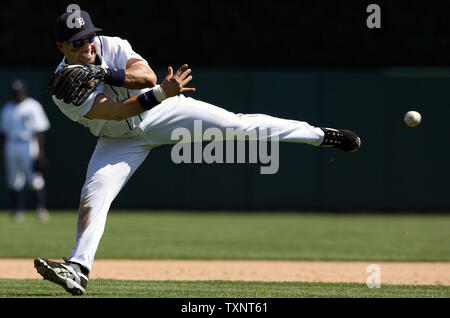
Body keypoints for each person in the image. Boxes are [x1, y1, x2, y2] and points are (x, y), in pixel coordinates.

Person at [34, 10, 361, 295]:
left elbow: (145, 76)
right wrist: (160, 92)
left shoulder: (112, 46)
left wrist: (108, 74)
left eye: (89, 36)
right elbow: (118, 112)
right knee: (93, 196)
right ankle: (78, 267)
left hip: (164, 113)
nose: (88, 44)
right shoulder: (63, 92)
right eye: (77, 42)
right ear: (62, 47)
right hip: (118, 138)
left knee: (238, 126)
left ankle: (319, 135)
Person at [0, 80, 50, 223]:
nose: (18, 94)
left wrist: (39, 152)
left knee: (34, 178)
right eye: (16, 92)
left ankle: (40, 209)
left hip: (29, 143)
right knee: (14, 179)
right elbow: (3, 133)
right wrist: (2, 152)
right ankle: (17, 211)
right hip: (11, 144)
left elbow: (40, 130)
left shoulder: (33, 106)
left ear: (25, 92)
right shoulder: (7, 109)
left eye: (20, 92)